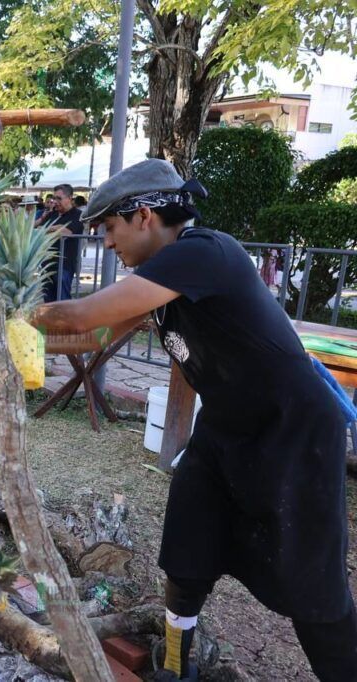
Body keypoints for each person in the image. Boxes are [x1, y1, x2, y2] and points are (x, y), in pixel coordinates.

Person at [31, 158, 357, 682]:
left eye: (110, 229)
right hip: (225, 429)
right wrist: (12, 344)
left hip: (293, 430)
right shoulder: (164, 281)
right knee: (188, 547)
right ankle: (178, 666)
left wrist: (16, 309)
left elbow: (81, 316)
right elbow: (92, 337)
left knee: (310, 583)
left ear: (143, 217)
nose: (108, 244)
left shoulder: (206, 252)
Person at [41, 183, 84, 302]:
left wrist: (52, 228)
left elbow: (67, 232)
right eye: (54, 198)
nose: (55, 201)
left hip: (64, 265)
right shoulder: (52, 214)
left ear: (69, 198)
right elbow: (41, 230)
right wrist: (56, 227)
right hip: (47, 265)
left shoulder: (78, 215)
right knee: (48, 301)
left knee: (62, 300)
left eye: (59, 198)